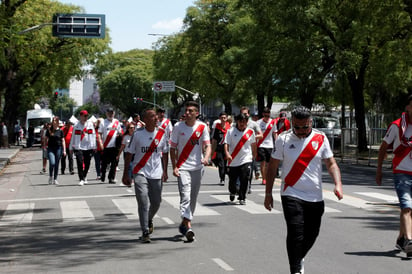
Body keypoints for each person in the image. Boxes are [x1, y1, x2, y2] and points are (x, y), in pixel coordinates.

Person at [264, 106, 343, 274]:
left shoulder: (320, 138)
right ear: (292, 123)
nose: (300, 131)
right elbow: (272, 167)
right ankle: (295, 269)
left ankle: (298, 258)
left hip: (314, 195)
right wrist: (268, 193)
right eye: (297, 127)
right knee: (295, 232)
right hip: (291, 192)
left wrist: (338, 184)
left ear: (311, 123)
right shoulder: (283, 139)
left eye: (304, 127)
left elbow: (331, 163)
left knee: (312, 234)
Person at [122, 108, 169, 243]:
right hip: (140, 171)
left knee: (156, 202)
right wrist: (126, 173)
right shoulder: (137, 134)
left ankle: (149, 219)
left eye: (156, 116)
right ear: (146, 119)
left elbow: (165, 153)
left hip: (156, 173)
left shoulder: (162, 133)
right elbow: (129, 154)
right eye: (152, 116)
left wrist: (165, 171)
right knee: (143, 201)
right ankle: (145, 231)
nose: (156, 118)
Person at [170, 101, 211, 242]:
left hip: (198, 168)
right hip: (183, 168)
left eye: (191, 111)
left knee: (193, 198)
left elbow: (207, 145)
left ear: (196, 113)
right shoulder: (178, 127)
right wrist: (174, 166)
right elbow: (172, 148)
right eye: (186, 110)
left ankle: (184, 222)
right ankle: (188, 226)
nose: (187, 113)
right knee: (185, 196)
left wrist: (206, 157)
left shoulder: (202, 127)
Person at [376, 94, 412, 255]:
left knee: (410, 209)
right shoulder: (397, 126)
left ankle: (401, 238)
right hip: (402, 172)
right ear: (408, 107)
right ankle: (410, 241)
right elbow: (383, 147)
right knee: (407, 207)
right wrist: (379, 170)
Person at [224, 113, 257, 204]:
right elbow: (226, 144)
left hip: (246, 159)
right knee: (232, 180)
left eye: (244, 121)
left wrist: (254, 155)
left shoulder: (251, 132)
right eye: (240, 121)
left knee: (244, 177)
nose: (242, 123)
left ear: (247, 122)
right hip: (233, 160)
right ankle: (232, 191)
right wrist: (227, 153)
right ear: (237, 121)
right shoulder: (231, 131)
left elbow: (253, 145)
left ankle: (242, 197)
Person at [69, 110, 98, 186]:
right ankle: (81, 179)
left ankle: (84, 176)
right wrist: (71, 147)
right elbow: (73, 137)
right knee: (80, 163)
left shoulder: (90, 124)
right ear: (81, 116)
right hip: (79, 147)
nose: (86, 117)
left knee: (87, 163)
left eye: (87, 116)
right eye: (84, 116)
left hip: (88, 147)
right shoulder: (76, 125)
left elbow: (93, 135)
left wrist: (94, 146)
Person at [239, 107, 262, 193]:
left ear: (248, 114)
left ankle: (248, 185)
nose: (244, 115)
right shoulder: (236, 124)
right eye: (242, 114)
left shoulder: (253, 124)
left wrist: (251, 137)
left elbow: (261, 135)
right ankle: (238, 186)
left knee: (249, 170)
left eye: (246, 114)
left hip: (249, 150)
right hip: (238, 151)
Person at [99, 107, 123, 184]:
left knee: (114, 163)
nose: (111, 114)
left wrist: (119, 135)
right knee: (104, 163)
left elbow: (120, 132)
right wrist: (100, 143)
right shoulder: (103, 122)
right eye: (109, 113)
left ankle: (111, 178)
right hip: (105, 146)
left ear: (114, 113)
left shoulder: (117, 122)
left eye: (112, 113)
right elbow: (99, 134)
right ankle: (102, 174)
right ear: (106, 113)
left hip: (114, 146)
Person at [256, 107, 277, 185]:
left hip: (270, 145)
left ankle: (268, 177)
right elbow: (256, 133)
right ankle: (264, 179)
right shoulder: (258, 123)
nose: (267, 118)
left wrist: (277, 142)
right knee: (263, 162)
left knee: (269, 163)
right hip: (261, 144)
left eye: (268, 116)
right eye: (266, 116)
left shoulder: (272, 122)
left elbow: (275, 133)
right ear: (263, 115)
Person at [45, 116, 66, 185]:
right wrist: (45, 145)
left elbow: (63, 140)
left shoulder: (60, 131)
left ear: (57, 122)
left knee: (57, 164)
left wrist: (64, 150)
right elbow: (46, 138)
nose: (54, 122)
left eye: (55, 120)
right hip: (50, 148)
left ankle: (55, 179)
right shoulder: (49, 130)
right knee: (52, 163)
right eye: (53, 120)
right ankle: (50, 176)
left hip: (58, 148)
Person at [211, 112, 230, 185]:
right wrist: (212, 150)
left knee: (225, 164)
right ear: (219, 118)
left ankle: (225, 173)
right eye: (222, 118)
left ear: (227, 118)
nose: (223, 119)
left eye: (224, 118)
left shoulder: (230, 127)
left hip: (227, 148)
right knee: (221, 164)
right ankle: (222, 178)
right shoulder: (217, 127)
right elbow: (214, 139)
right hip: (219, 148)